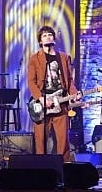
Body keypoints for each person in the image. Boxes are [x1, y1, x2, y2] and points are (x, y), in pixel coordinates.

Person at [27, 26, 81, 162]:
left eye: (50, 35)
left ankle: (64, 172)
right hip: (43, 105)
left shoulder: (63, 57)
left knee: (63, 142)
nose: (48, 37)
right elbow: (31, 82)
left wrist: (74, 94)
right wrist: (41, 99)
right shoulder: (34, 58)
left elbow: (69, 81)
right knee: (41, 142)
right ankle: (41, 171)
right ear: (40, 41)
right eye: (44, 35)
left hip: (60, 104)